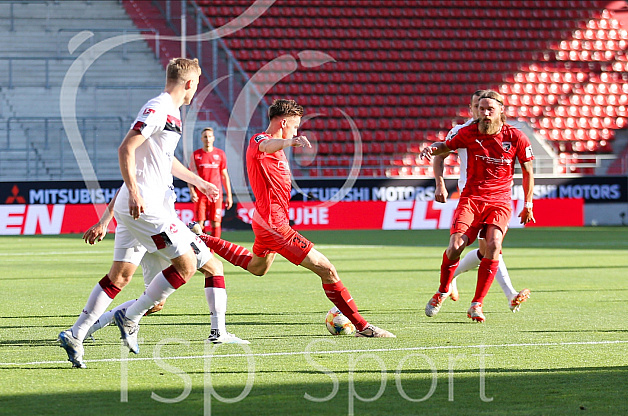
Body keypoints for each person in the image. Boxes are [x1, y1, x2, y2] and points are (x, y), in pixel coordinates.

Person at [58, 57, 240, 368]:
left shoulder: (170, 113)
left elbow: (162, 158)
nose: (195, 91)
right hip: (148, 207)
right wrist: (137, 191)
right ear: (189, 84)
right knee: (188, 266)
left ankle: (77, 333)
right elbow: (126, 148)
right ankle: (129, 317)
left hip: (137, 207)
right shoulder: (160, 107)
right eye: (196, 85)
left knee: (120, 276)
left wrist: (198, 181)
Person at [190, 99, 394, 338]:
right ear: (284, 123)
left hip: (269, 223)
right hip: (273, 225)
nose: (297, 132)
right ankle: (363, 327)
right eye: (295, 127)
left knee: (257, 268)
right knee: (328, 270)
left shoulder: (276, 149)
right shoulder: (260, 141)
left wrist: (287, 142)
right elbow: (265, 145)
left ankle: (202, 240)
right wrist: (290, 141)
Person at [420, 89, 535, 323]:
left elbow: (528, 170)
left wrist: (528, 203)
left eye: (488, 109)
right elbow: (444, 148)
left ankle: (477, 304)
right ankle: (443, 289)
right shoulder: (466, 132)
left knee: (492, 246)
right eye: (480, 108)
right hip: (470, 198)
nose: (483, 113)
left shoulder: (516, 137)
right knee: (455, 246)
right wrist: (433, 150)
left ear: (501, 110)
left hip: (499, 201)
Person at [78, 193, 248, 347]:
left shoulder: (148, 166)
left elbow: (123, 191)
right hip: (162, 229)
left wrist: (104, 222)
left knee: (155, 302)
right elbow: (128, 190)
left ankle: (90, 326)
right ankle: (218, 332)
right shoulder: (153, 164)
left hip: (143, 233)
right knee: (214, 268)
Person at [188, 127, 233, 238]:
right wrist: (192, 191)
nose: (207, 139)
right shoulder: (196, 155)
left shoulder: (220, 154)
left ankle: (214, 251)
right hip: (200, 194)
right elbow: (190, 175)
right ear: (201, 139)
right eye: (205, 137)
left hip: (216, 194)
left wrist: (229, 195)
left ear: (213, 138)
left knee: (215, 222)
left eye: (209, 136)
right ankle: (202, 249)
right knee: (199, 224)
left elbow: (224, 175)